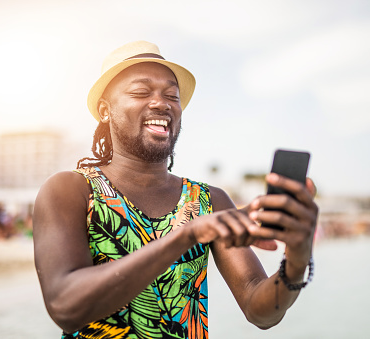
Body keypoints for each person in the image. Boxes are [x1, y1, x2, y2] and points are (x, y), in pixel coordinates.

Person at [33, 41, 319, 339]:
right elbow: (65, 308)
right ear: (105, 110)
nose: (162, 103)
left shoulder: (209, 200)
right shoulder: (70, 189)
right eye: (141, 92)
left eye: (172, 95)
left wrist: (296, 262)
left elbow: (259, 311)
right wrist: (187, 235)